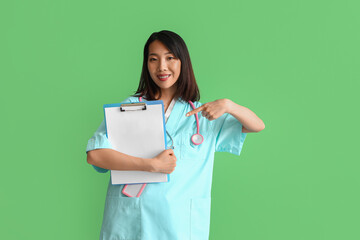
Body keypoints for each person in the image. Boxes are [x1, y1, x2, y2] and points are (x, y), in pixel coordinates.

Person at [86, 30, 265, 240]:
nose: (162, 67)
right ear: (146, 65)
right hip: (132, 222)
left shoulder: (202, 115)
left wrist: (228, 105)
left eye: (170, 58)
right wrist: (151, 165)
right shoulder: (131, 108)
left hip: (180, 226)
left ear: (183, 63)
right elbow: (95, 155)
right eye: (153, 59)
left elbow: (256, 125)